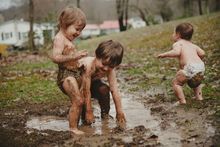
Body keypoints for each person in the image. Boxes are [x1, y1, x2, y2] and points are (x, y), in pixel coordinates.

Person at [50, 6, 88, 135]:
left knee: (80, 100)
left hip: (75, 73)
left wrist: (80, 63)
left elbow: (70, 60)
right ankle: (73, 128)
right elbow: (55, 57)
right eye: (77, 29)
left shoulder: (67, 38)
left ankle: (82, 122)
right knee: (77, 100)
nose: (79, 33)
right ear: (64, 23)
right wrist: (75, 56)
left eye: (81, 30)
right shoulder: (59, 38)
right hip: (66, 77)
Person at [79, 40, 126, 126]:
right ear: (96, 56)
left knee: (104, 89)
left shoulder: (110, 70)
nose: (106, 68)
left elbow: (114, 90)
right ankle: (85, 120)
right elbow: (86, 91)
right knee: (83, 104)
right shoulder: (88, 66)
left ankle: (105, 116)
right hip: (80, 85)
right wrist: (89, 111)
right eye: (104, 64)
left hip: (92, 83)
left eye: (111, 66)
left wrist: (119, 111)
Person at [157, 23, 205, 104]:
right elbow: (202, 53)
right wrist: (196, 62)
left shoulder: (178, 43)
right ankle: (199, 97)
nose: (172, 35)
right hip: (200, 67)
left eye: (174, 33)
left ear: (178, 35)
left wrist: (164, 54)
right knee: (196, 84)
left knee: (176, 83)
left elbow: (176, 52)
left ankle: (182, 101)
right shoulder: (193, 45)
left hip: (189, 67)